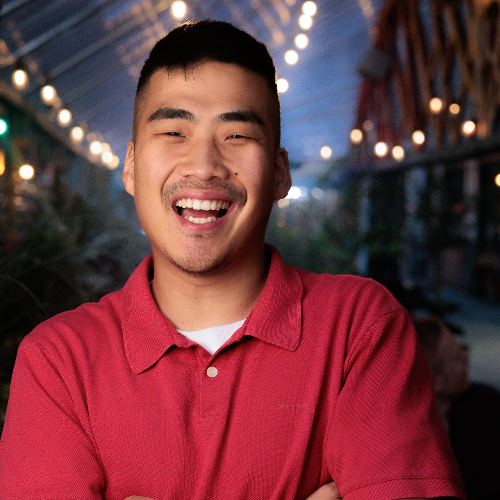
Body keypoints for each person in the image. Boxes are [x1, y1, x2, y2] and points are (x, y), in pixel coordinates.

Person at [0, 20, 465, 500]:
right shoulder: (59, 361)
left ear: (279, 173)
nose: (204, 166)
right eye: (174, 131)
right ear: (132, 167)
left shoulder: (359, 328)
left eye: (237, 135)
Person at [414, 316, 500, 500]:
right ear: (436, 381)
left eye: (462, 347)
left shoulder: (484, 402)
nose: (466, 356)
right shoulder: (418, 451)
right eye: (456, 356)